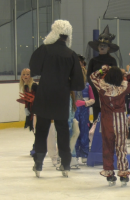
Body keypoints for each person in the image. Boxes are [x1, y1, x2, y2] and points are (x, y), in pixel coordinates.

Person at [29, 20, 84, 178]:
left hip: (45, 94)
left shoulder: (44, 50)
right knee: (63, 131)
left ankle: (38, 163)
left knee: (41, 130)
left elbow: (33, 69)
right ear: (67, 35)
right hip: (61, 96)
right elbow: (78, 83)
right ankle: (66, 164)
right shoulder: (71, 54)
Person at [90, 65, 130, 186]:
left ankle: (109, 173)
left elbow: (92, 76)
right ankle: (123, 173)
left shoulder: (101, 86)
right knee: (121, 147)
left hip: (107, 120)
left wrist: (103, 69)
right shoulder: (124, 86)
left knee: (107, 146)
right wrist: (126, 73)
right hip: (121, 120)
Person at [87, 25, 119, 123]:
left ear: (108, 48)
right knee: (96, 115)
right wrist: (96, 86)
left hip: (108, 92)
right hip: (96, 92)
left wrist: (106, 86)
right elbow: (88, 76)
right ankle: (95, 136)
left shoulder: (112, 61)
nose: (102, 47)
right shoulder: (93, 61)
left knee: (108, 117)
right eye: (100, 45)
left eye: (104, 45)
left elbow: (116, 77)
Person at [73, 55, 95, 165]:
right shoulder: (71, 87)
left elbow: (93, 100)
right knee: (75, 132)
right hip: (74, 112)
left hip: (84, 112)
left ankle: (85, 153)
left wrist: (86, 103)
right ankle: (75, 153)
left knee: (84, 133)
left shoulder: (88, 86)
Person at [17, 68, 38, 156]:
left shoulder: (34, 86)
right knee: (34, 129)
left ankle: (37, 147)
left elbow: (40, 98)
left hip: (36, 112)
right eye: (24, 74)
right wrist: (26, 107)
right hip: (30, 111)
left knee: (36, 129)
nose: (25, 76)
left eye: (27, 74)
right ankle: (37, 146)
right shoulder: (26, 86)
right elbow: (27, 100)